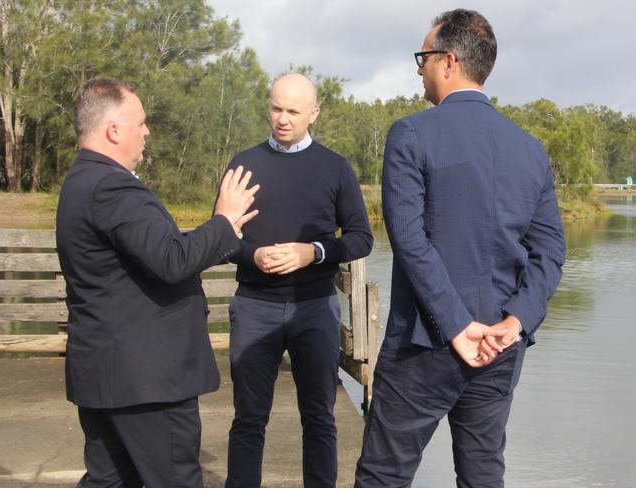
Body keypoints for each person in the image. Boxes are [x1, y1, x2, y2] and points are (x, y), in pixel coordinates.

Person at [354, 9, 566, 488]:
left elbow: (408, 239)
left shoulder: (411, 134)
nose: (419, 67)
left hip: (425, 345)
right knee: (483, 475)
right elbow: (550, 251)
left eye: (423, 56)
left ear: (448, 60)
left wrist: (456, 326)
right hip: (499, 346)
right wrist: (514, 323)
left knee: (383, 475)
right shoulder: (530, 148)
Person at [56, 77, 259, 488]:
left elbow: (153, 251)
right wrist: (224, 222)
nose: (147, 131)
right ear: (114, 130)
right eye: (141, 122)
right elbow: (171, 260)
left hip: (110, 376)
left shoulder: (82, 180)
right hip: (145, 382)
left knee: (110, 480)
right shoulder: (112, 187)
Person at [223, 73, 373, 488]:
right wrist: (251, 254)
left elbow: (361, 238)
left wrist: (314, 252)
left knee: (319, 417)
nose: (283, 119)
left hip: (315, 307)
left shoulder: (335, 168)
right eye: (276, 108)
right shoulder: (242, 164)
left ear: (314, 114)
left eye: (293, 111)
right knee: (249, 418)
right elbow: (219, 238)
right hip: (254, 305)